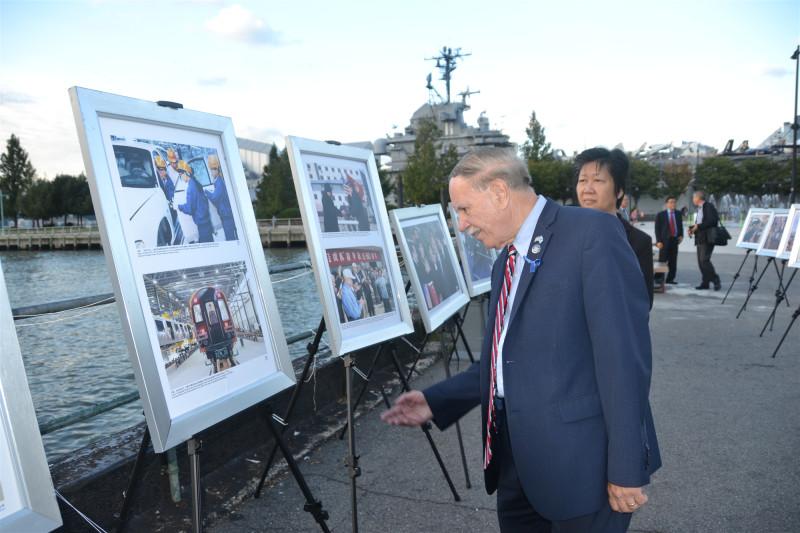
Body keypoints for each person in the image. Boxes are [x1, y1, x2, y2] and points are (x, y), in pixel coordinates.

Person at [382, 147, 660, 533]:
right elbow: (503, 358)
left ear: (498, 191)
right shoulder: (504, 263)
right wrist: (436, 400)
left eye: (464, 209)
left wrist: (627, 467)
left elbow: (624, 360)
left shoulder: (591, 235)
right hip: (515, 462)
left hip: (583, 466)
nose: (461, 225)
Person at [574, 147, 654, 309]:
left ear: (619, 192)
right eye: (583, 181)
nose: (587, 189)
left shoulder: (637, 242)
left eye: (598, 180)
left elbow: (641, 304)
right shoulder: (562, 235)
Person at [688, 190, 720, 290]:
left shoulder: (708, 206)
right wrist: (692, 228)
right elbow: (702, 222)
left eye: (693, 197)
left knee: (704, 260)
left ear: (698, 198)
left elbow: (712, 221)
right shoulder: (701, 208)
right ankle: (705, 283)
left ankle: (715, 279)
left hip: (707, 238)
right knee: (700, 262)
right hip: (700, 238)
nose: (693, 200)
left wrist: (697, 226)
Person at [177, 160, 214, 243]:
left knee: (206, 244)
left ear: (186, 173)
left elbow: (190, 209)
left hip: (202, 223)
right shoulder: (195, 183)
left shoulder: (191, 188)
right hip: (205, 220)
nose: (181, 177)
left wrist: (179, 207)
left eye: (181, 175)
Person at [204, 155, 237, 241]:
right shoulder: (219, 181)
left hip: (227, 216)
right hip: (227, 214)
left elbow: (215, 198)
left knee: (230, 238)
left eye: (212, 170)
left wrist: (206, 192)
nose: (211, 173)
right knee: (232, 236)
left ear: (216, 170)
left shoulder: (219, 182)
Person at [654, 196, 684, 284]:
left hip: (674, 240)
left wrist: (681, 235)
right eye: (671, 202)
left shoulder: (678, 214)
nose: (673, 204)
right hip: (664, 241)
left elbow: (680, 226)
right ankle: (658, 278)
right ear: (667, 204)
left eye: (674, 202)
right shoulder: (661, 215)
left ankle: (670, 279)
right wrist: (658, 241)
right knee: (662, 260)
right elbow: (657, 229)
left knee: (673, 261)